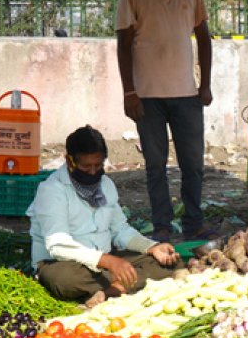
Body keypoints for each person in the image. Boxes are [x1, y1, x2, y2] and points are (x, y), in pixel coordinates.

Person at [116, 0, 217, 243]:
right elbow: (123, 45)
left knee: (193, 165)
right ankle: (162, 225)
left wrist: (205, 84)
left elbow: (204, 38)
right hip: (147, 97)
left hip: (187, 95)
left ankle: (193, 223)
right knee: (155, 166)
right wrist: (129, 92)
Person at [27, 126, 182, 307]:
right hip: (63, 264)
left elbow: (120, 230)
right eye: (86, 166)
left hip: (106, 262)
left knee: (169, 262)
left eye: (98, 165)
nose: (93, 172)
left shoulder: (106, 185)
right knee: (62, 280)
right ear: (68, 161)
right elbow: (58, 245)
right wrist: (108, 262)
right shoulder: (52, 190)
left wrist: (151, 248)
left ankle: (112, 289)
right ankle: (124, 283)